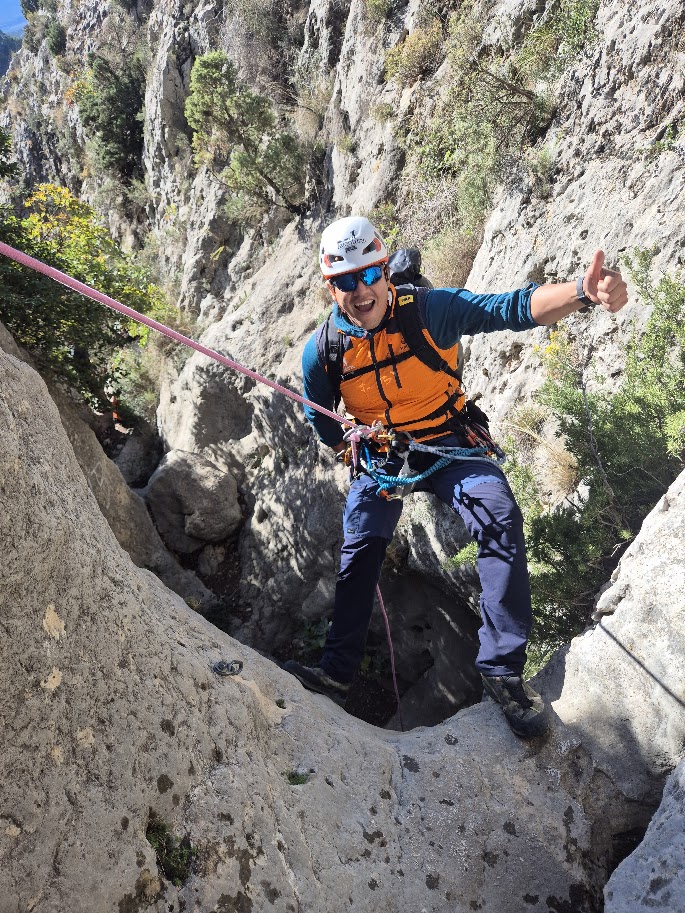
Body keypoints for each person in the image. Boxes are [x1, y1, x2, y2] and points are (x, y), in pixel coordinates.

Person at [284, 216, 628, 737]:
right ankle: (336, 673)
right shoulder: (323, 352)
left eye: (370, 275)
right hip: (381, 455)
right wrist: (349, 443)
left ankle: (501, 669)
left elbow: (510, 308)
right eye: (346, 282)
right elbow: (321, 419)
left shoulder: (429, 311)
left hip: (447, 438)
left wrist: (582, 292)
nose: (362, 292)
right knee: (360, 550)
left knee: (498, 517)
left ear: (385, 272)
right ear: (331, 288)